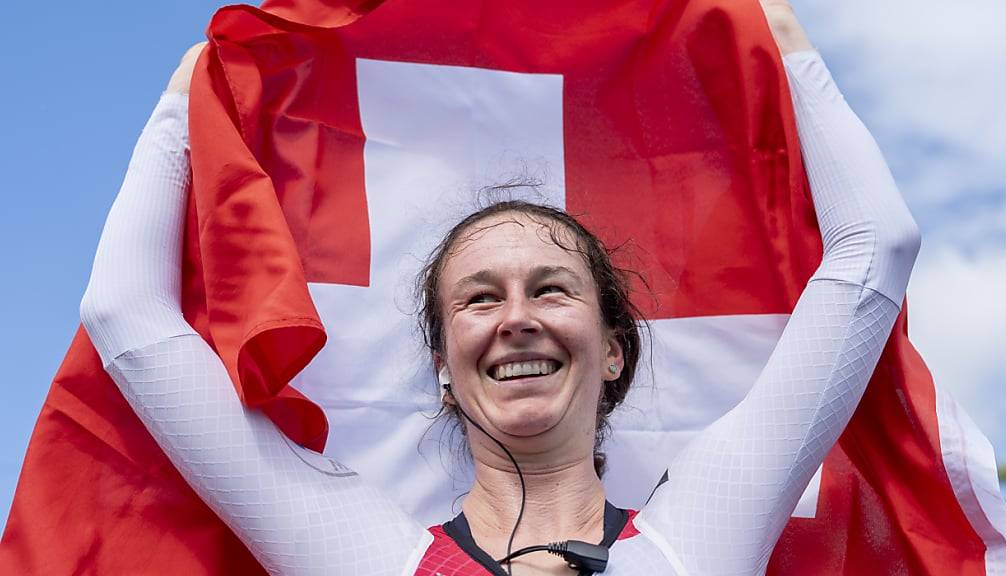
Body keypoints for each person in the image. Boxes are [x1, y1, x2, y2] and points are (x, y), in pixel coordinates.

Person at [79, 2, 920, 575]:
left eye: (552, 290)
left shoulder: (701, 531)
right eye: (479, 299)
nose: (516, 318)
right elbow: (125, 318)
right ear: (444, 365)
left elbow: (873, 249)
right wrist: (189, 100)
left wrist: (778, 37)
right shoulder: (360, 553)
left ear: (616, 350)